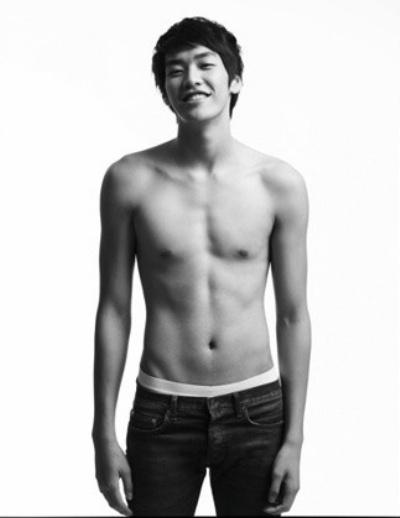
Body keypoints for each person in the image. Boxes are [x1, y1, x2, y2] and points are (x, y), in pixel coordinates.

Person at [92, 16, 311, 517]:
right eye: (176, 70)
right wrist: (102, 433)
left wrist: (294, 438)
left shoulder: (279, 184)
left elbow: (293, 315)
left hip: (256, 409)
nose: (191, 78)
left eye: (205, 64)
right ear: (165, 90)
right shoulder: (130, 180)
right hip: (162, 412)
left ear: (234, 80)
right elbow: (113, 310)